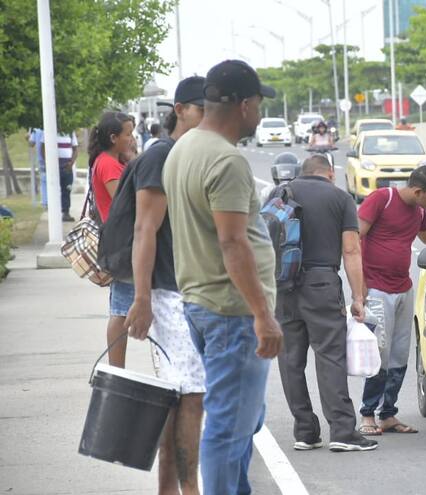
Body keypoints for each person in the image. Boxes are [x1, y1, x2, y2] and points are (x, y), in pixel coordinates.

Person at [162, 59, 282, 494]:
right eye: (259, 103)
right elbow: (233, 243)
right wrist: (262, 315)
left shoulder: (184, 147)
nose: (261, 113)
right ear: (245, 105)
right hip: (232, 311)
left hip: (200, 302)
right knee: (230, 428)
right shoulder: (226, 160)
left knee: (244, 419)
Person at [121, 76, 207, 494]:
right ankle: (187, 489)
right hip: (170, 294)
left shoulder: (194, 156)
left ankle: (172, 490)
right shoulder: (162, 157)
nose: (209, 116)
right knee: (190, 396)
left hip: (193, 292)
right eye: (201, 108)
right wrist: (141, 299)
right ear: (180, 109)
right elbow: (144, 229)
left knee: (183, 397)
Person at [275, 155, 379, 453]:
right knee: (330, 356)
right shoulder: (340, 197)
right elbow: (351, 250)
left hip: (283, 285)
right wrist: (357, 298)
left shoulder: (279, 193)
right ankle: (343, 432)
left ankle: (305, 432)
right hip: (321, 284)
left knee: (290, 360)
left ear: (302, 172)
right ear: (330, 173)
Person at [357, 166, 426, 435]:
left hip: (403, 288)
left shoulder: (419, 211)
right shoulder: (383, 199)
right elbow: (353, 238)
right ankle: (368, 414)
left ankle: (388, 414)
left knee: (399, 354)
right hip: (376, 290)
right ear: (418, 191)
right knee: (380, 353)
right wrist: (359, 290)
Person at [89, 111, 136, 367]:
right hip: (122, 243)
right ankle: (117, 369)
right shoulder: (107, 163)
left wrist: (130, 159)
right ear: (113, 137)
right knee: (120, 309)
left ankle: (118, 368)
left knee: (122, 305)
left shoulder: (113, 160)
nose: (132, 138)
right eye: (128, 134)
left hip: (124, 240)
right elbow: (124, 202)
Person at [31, 129, 79, 221]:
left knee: (67, 190)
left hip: (67, 168)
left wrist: (71, 163)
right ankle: (55, 214)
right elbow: (42, 148)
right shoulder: (49, 130)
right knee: (54, 192)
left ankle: (66, 213)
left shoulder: (70, 131)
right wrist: (49, 163)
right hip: (54, 168)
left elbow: (75, 149)